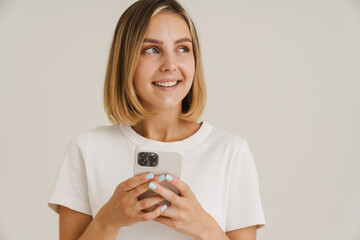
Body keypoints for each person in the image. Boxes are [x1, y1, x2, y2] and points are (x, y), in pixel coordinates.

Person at [47, 0, 266, 239]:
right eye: (152, 49)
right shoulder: (87, 148)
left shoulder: (231, 152)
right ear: (125, 60)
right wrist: (108, 219)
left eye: (183, 49)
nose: (170, 65)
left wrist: (201, 224)